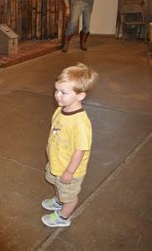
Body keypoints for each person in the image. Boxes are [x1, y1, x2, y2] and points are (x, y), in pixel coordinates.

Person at [41, 63, 98, 227]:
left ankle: (63, 217)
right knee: (58, 186)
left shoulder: (80, 123)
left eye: (64, 92)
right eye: (57, 90)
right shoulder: (61, 109)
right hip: (57, 162)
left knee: (70, 196)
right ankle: (59, 201)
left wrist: (69, 172)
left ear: (80, 96)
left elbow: (80, 150)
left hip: (70, 169)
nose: (57, 95)